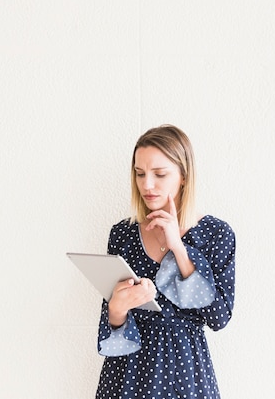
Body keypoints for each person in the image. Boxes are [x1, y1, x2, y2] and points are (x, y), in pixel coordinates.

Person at [95, 124, 236, 399]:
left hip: (186, 373)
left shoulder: (216, 234)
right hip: (127, 374)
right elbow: (111, 323)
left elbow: (219, 317)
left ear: (184, 176)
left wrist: (178, 248)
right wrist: (117, 308)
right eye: (139, 173)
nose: (147, 185)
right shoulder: (122, 234)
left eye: (160, 174)